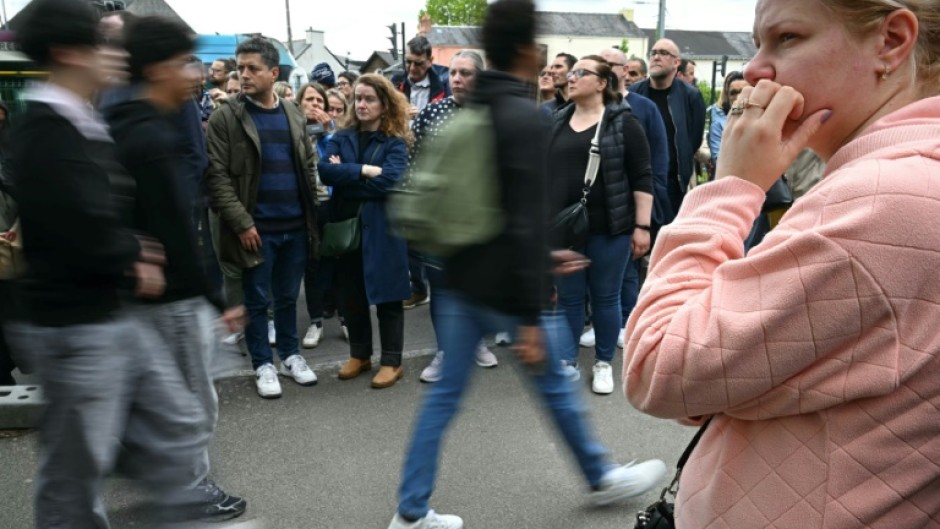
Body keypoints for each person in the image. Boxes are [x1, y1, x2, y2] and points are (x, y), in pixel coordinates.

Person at [625, 1, 940, 528]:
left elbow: (657, 364)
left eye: (786, 38)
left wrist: (732, 187)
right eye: (757, 43)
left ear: (891, 40)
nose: (754, 69)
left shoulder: (881, 201)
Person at [388, 4, 666, 528]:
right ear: (528, 49)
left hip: (462, 273)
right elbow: (521, 216)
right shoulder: (521, 117)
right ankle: (600, 476)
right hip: (507, 287)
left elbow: (488, 208)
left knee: (444, 399)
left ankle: (410, 512)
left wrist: (540, 256)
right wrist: (534, 300)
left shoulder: (471, 111)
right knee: (554, 386)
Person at [3, 0, 227, 525]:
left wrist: (131, 247)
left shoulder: (85, 118)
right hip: (73, 325)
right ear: (67, 53)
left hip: (110, 315)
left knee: (176, 424)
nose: (115, 53)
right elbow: (73, 223)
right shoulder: (45, 131)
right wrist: (133, 252)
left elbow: (96, 212)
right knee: (73, 482)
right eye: (103, 43)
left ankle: (177, 507)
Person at [104, 16, 248, 521]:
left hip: (144, 295)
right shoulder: (148, 135)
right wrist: (216, 300)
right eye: (185, 61)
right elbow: (179, 230)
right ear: (159, 68)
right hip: (172, 297)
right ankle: (188, 488)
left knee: (166, 397)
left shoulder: (125, 120)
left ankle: (148, 466)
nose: (195, 72)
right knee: (192, 404)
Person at [207, 36, 320, 399]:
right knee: (257, 300)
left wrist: (312, 211)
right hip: (257, 229)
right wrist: (242, 223)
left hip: (295, 226)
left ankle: (290, 355)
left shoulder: (292, 113)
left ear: (273, 73)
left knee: (287, 297)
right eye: (240, 68)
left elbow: (307, 163)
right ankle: (262, 363)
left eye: (252, 68)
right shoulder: (226, 116)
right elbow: (218, 176)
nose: (244, 75)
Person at [549, 55, 654, 394]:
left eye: (581, 72)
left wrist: (642, 227)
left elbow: (642, 177)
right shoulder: (556, 120)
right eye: (571, 72)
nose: (571, 77)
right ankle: (567, 361)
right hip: (564, 229)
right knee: (568, 298)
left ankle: (604, 362)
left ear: (602, 83)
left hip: (611, 228)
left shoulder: (623, 123)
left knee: (606, 298)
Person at [406, 50, 500, 383]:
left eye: (466, 73)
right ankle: (446, 350)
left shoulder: (496, 116)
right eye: (454, 72)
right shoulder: (432, 113)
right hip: (440, 220)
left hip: (480, 221)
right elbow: (415, 164)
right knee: (443, 290)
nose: (457, 79)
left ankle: (475, 342)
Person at [318, 74, 411, 389]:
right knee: (351, 295)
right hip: (348, 229)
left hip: (384, 230)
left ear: (384, 104)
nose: (361, 104)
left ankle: (392, 361)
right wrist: (364, 171)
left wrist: (348, 179)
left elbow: (392, 181)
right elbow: (325, 170)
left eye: (369, 98)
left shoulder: (394, 142)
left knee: (388, 297)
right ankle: (360, 355)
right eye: (357, 98)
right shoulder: (341, 137)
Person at [592, 46, 669, 350]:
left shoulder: (644, 107)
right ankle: (604, 326)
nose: (608, 69)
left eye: (614, 64)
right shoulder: (592, 106)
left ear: (625, 70)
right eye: (603, 64)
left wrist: (650, 212)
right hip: (602, 209)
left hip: (633, 206)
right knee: (603, 274)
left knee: (627, 272)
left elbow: (656, 160)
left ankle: (626, 323)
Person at [392, 36, 451, 308]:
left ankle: (441, 288)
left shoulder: (445, 85)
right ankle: (418, 287)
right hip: (402, 161)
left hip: (434, 164)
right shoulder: (396, 84)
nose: (412, 68)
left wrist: (424, 116)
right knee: (409, 231)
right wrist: (401, 116)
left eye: (418, 63)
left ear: (430, 61)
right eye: (408, 62)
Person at [629, 39, 706, 222]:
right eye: (653, 53)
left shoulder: (691, 96)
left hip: (673, 181)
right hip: (638, 179)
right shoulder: (634, 93)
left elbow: (692, 140)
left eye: (663, 53)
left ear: (676, 62)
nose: (656, 57)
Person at [294, 81, 345, 348]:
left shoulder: (332, 133)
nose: (315, 105)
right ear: (299, 104)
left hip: (331, 204)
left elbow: (339, 161)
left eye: (319, 101)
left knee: (338, 262)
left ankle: (346, 319)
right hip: (306, 207)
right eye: (309, 100)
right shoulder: (295, 131)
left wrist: (327, 132)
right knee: (312, 266)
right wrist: (310, 132)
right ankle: (315, 322)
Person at [708, 71, 747, 165]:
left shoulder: (762, 119)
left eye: (743, 91)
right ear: (727, 96)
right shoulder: (718, 125)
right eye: (733, 93)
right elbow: (718, 159)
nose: (738, 97)